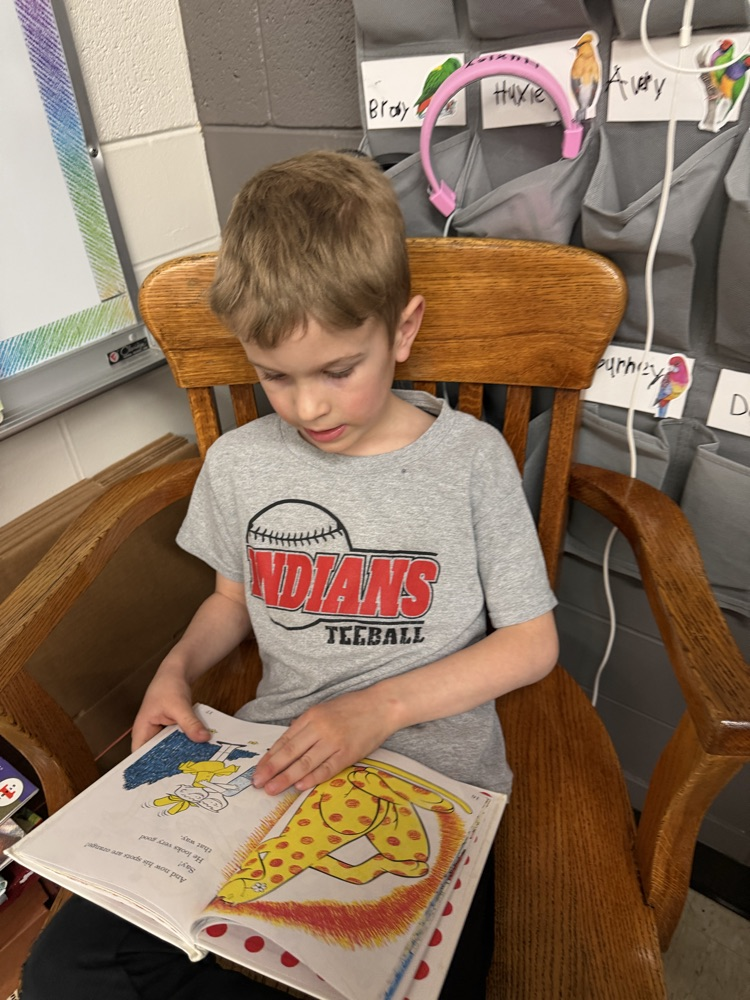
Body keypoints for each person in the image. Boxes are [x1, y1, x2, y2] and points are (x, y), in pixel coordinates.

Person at [21, 150, 558, 999]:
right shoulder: (241, 465)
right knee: (63, 971)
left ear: (403, 330)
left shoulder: (471, 460)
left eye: (338, 370)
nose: (307, 408)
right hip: (263, 764)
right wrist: (174, 670)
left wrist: (378, 708)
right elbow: (232, 598)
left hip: (428, 791)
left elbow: (532, 641)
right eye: (275, 376)